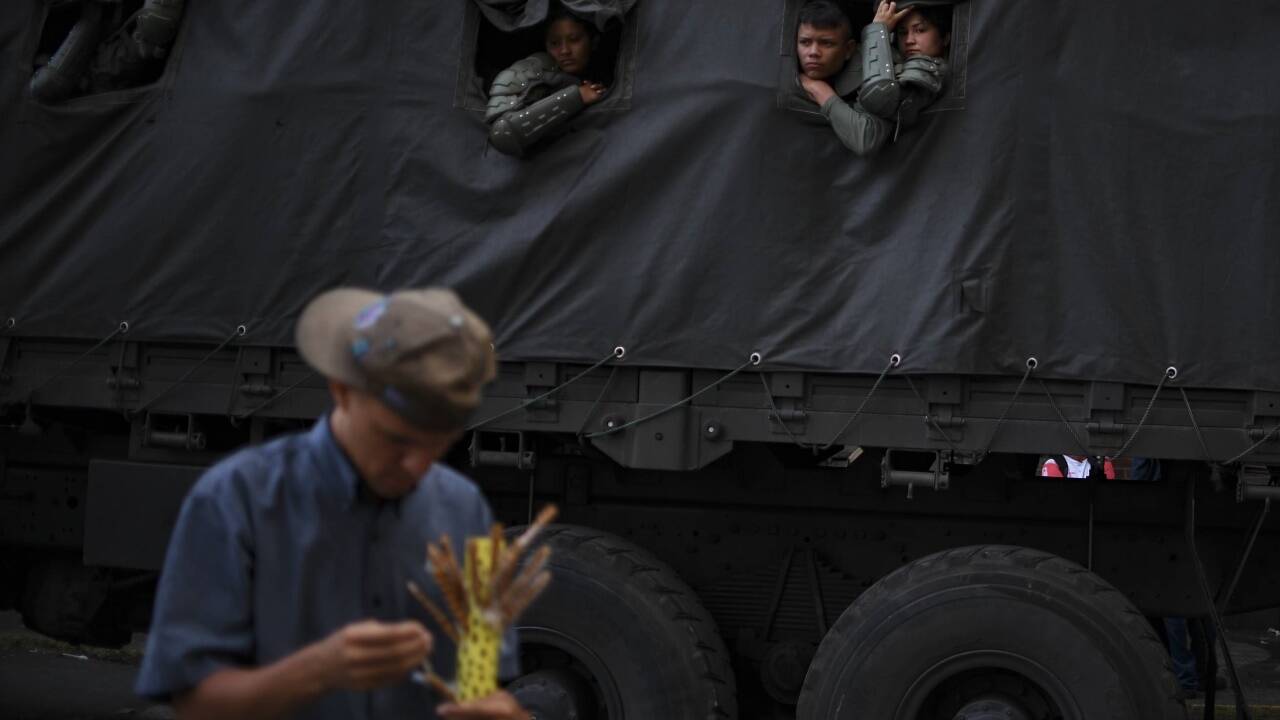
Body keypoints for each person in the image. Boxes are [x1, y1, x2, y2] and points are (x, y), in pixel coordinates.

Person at [135, 287, 529, 720]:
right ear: (341, 390)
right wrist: (317, 671)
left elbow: (478, 683)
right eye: (396, 439)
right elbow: (194, 705)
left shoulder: (467, 510)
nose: (418, 466)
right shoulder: (236, 500)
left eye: (441, 445)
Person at [486, 7, 608, 156]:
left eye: (574, 40)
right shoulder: (530, 71)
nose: (564, 50)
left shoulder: (607, 71)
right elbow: (502, 133)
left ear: (593, 41)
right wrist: (577, 96)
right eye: (555, 43)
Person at [795, 0, 899, 156]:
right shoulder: (784, 66)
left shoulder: (867, 71)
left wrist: (820, 91)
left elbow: (866, 140)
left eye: (826, 43)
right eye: (805, 42)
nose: (813, 52)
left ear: (848, 49)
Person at [890, 3, 952, 126]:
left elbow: (880, 101)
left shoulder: (936, 72)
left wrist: (876, 31)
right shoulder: (897, 66)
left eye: (920, 30)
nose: (909, 40)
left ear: (945, 38)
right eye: (903, 32)